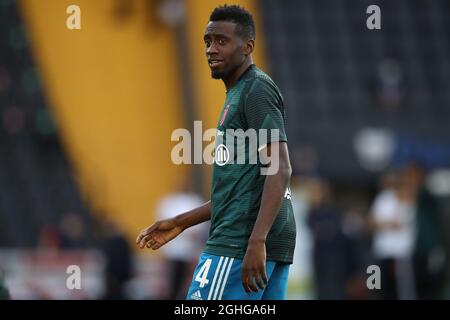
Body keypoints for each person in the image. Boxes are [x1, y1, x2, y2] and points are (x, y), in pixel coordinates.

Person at [136, 5, 296, 300]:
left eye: (222, 41)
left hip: (239, 241)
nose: (211, 49)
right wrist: (181, 222)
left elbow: (280, 167)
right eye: (208, 41)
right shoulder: (239, 93)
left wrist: (256, 240)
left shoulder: (255, 90)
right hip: (261, 240)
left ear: (248, 47)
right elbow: (239, 189)